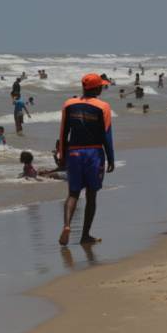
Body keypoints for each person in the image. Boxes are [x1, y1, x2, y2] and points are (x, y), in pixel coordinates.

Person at [58, 74, 115, 246]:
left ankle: (67, 225)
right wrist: (111, 158)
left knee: (73, 193)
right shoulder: (103, 106)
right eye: (101, 86)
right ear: (97, 88)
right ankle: (85, 235)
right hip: (94, 153)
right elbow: (106, 135)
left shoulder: (69, 104)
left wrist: (62, 155)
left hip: (74, 153)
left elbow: (63, 132)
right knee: (91, 195)